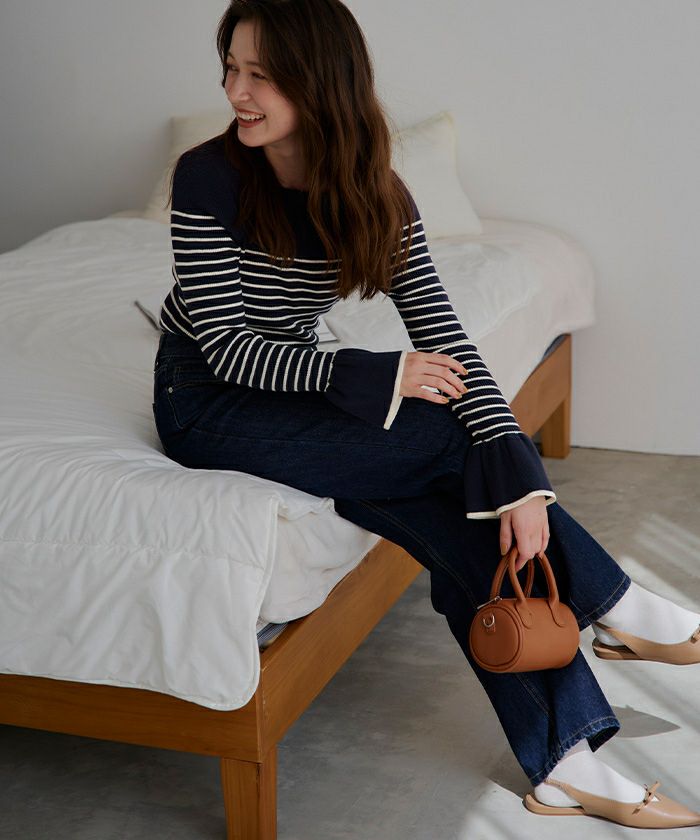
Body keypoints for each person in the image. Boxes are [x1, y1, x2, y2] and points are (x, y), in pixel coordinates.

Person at [151, 0, 700, 828]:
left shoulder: (376, 193)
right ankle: (620, 609)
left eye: (260, 75)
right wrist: (380, 378)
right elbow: (226, 350)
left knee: (468, 531)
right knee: (445, 439)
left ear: (319, 80)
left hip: (296, 388)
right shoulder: (207, 175)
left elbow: (446, 336)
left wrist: (520, 484)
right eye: (231, 68)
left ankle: (566, 766)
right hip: (205, 400)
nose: (236, 92)